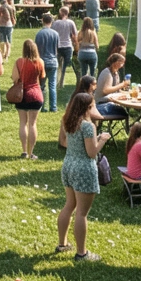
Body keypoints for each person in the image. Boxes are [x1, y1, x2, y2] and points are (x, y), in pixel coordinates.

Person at [56, 90, 108, 261]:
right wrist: (102, 140)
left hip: (68, 164)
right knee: (82, 213)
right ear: (87, 107)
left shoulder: (67, 121)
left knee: (69, 205)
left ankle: (62, 244)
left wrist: (95, 138)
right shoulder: (88, 125)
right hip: (83, 168)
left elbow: (65, 142)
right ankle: (81, 253)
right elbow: (92, 153)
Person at [14, 39, 46, 159]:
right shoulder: (40, 62)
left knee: (23, 123)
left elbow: (14, 78)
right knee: (32, 124)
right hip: (36, 94)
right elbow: (42, 77)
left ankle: (24, 151)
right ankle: (31, 152)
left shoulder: (19, 62)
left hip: (22, 95)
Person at [93, 53, 131, 121]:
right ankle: (128, 128)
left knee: (124, 109)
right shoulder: (107, 73)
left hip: (109, 100)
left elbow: (116, 89)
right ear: (116, 62)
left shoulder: (115, 73)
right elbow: (106, 90)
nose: (122, 65)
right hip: (101, 103)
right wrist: (122, 85)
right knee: (124, 113)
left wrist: (126, 92)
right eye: (121, 63)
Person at [34, 14, 60, 112]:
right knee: (52, 85)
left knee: (41, 85)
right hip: (53, 61)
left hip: (42, 62)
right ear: (51, 21)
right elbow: (57, 49)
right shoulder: (55, 34)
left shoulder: (39, 34)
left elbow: (36, 50)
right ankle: (53, 107)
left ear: (42, 21)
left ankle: (41, 106)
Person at [51, 7, 78, 92]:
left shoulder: (55, 23)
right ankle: (62, 82)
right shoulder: (71, 22)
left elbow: (52, 34)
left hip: (58, 46)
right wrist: (76, 45)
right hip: (68, 46)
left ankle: (57, 82)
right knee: (66, 67)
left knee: (58, 65)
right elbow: (74, 35)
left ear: (61, 13)